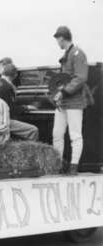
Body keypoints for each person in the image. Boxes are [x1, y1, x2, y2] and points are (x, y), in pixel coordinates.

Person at [52, 26, 89, 175]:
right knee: (57, 134)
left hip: (74, 102)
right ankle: (58, 164)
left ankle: (74, 166)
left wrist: (62, 92)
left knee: (75, 135)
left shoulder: (78, 53)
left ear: (61, 38)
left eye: (57, 40)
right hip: (63, 102)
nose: (57, 43)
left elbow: (80, 78)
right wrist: (58, 93)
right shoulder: (69, 54)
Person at [0, 63, 39, 141]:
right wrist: (27, 107)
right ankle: (29, 152)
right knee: (33, 130)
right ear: (15, 75)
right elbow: (11, 110)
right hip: (2, 121)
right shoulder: (7, 87)